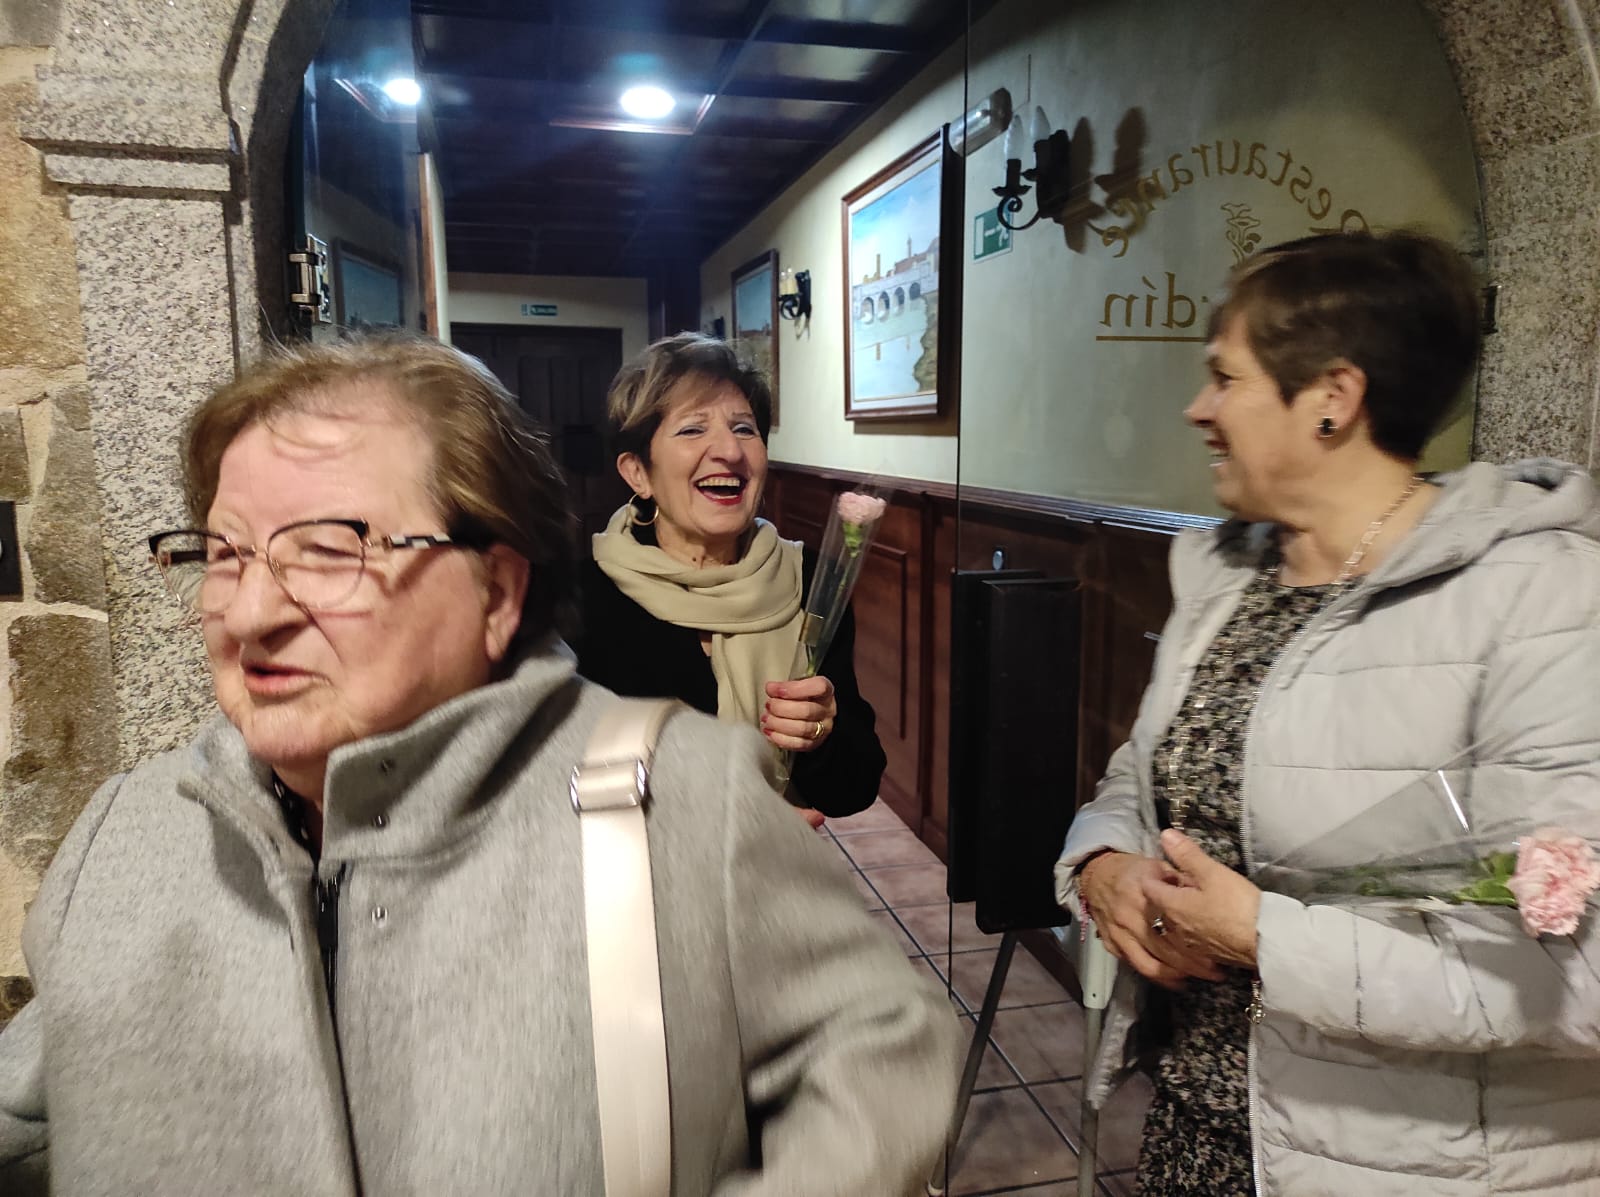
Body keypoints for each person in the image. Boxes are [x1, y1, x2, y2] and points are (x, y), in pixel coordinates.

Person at [0, 335, 960, 1194]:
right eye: (222, 552)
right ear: (636, 469)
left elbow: (886, 1043)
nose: (250, 614)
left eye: (329, 548)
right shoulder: (118, 843)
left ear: (498, 595)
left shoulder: (693, 786)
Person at [1055, 230, 1600, 1195]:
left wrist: (1264, 936)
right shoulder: (1229, 579)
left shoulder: (1543, 596)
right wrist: (1102, 865)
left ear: (1333, 399)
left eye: (1225, 377)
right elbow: (1142, 773)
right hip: (1202, 1127)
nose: (1198, 408)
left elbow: (1579, 980)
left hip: (1412, 1167)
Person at [575, 332, 887, 824]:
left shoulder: (809, 580)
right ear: (638, 473)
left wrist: (821, 734)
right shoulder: (585, 595)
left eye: (744, 428)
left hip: (775, 862)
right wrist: (729, 828)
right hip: (641, 863)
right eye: (692, 429)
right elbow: (560, 781)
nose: (729, 451)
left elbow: (855, 788)